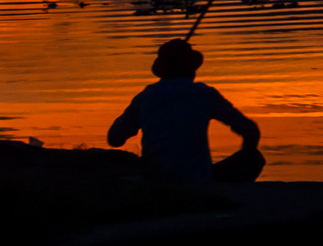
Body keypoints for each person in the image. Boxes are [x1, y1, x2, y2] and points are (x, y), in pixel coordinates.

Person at [107, 38, 263, 183]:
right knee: (253, 158)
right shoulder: (203, 93)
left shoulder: (145, 97)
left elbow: (114, 138)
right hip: (198, 180)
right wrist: (246, 150)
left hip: (156, 180)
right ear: (191, 69)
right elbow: (251, 130)